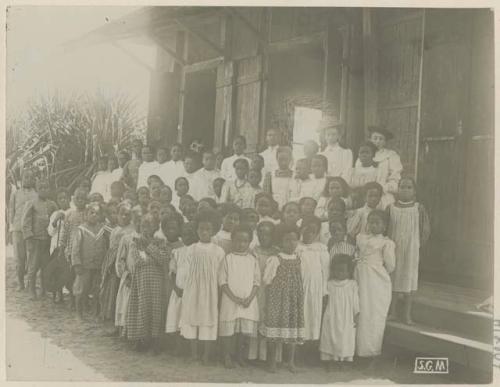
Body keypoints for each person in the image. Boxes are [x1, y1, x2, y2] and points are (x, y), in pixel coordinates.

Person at [179, 209, 225, 364]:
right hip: (193, 290)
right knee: (192, 318)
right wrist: (184, 288)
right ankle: (194, 354)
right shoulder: (191, 249)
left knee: (208, 319)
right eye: (201, 229)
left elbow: (221, 273)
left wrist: (219, 291)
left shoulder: (218, 251)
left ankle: (206, 354)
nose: (204, 232)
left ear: (213, 231)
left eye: (208, 229)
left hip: (210, 291)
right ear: (197, 230)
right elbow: (185, 270)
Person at [387, 177, 430, 325]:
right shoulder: (391, 208)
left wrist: (417, 244)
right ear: (397, 190)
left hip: (411, 249)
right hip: (394, 248)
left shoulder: (418, 209)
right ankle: (392, 312)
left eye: (409, 187)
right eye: (402, 187)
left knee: (409, 281)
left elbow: (425, 229)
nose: (405, 190)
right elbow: (386, 228)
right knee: (393, 278)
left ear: (414, 191)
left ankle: (407, 314)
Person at [261, 224, 304, 373]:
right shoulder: (275, 259)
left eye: (294, 239)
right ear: (280, 241)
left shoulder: (299, 258)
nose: (291, 243)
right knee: (273, 332)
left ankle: (289, 362)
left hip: (293, 300)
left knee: (291, 331)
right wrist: (269, 301)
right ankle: (271, 362)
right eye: (287, 240)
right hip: (277, 300)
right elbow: (267, 281)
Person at [355, 210, 395, 365]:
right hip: (359, 276)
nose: (372, 225)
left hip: (375, 280)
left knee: (372, 313)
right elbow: (357, 253)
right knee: (359, 311)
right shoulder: (360, 238)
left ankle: (371, 353)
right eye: (370, 222)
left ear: (384, 226)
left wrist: (374, 268)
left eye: (377, 222)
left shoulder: (386, 243)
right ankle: (357, 352)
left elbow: (390, 265)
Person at [125, 213, 169, 353]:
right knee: (141, 309)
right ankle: (141, 339)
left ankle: (155, 342)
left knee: (155, 310)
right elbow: (138, 261)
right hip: (141, 283)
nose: (146, 228)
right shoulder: (135, 242)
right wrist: (153, 256)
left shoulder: (160, 242)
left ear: (155, 227)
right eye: (143, 225)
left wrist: (149, 247)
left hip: (157, 284)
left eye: (149, 225)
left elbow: (163, 259)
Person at [219, 225, 261, 368]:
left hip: (248, 301)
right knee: (228, 331)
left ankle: (239, 356)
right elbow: (223, 282)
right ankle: (226, 356)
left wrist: (249, 298)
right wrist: (234, 298)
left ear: (249, 242)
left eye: (244, 241)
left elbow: (257, 282)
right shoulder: (227, 259)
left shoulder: (252, 260)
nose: (241, 244)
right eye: (237, 240)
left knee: (243, 332)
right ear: (232, 241)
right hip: (230, 301)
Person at [319, 254, 359, 371]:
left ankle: (342, 359)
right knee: (330, 335)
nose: (339, 273)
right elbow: (325, 300)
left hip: (346, 316)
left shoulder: (352, 284)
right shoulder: (330, 284)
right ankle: (330, 359)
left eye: (342, 270)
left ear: (349, 271)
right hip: (332, 314)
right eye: (337, 270)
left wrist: (356, 314)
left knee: (344, 337)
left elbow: (355, 301)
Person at [248, 221, 281, 362]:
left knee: (271, 319)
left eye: (267, 234)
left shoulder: (277, 252)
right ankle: (254, 355)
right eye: (261, 233)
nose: (264, 236)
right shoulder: (252, 251)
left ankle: (270, 357)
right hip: (256, 289)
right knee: (257, 317)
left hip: (272, 290)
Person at [99, 202, 135, 327]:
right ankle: (110, 319)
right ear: (117, 215)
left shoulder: (132, 230)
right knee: (111, 290)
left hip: (125, 263)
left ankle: (122, 322)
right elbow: (111, 249)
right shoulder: (114, 230)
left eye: (127, 214)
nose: (124, 217)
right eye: (121, 214)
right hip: (113, 263)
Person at [296, 217, 329, 354]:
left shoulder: (321, 249)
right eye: (306, 230)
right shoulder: (297, 247)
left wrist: (324, 291)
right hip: (299, 287)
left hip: (315, 289)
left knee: (312, 317)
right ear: (301, 230)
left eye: (313, 232)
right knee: (299, 316)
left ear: (317, 234)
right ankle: (295, 351)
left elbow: (325, 271)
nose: (309, 234)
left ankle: (309, 351)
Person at [165, 221, 198, 355]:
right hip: (179, 291)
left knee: (190, 321)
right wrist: (176, 288)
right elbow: (172, 273)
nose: (187, 237)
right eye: (184, 234)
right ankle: (178, 348)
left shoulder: (198, 251)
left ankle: (192, 350)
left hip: (192, 293)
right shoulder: (177, 252)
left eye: (190, 234)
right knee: (176, 317)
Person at [22, 179, 58, 300]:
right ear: (37, 190)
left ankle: (43, 288)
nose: (44, 190)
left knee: (45, 265)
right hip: (35, 239)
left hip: (47, 239)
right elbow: (25, 221)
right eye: (41, 188)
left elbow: (56, 216)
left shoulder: (52, 204)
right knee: (33, 265)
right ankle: (31, 290)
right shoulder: (31, 203)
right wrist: (29, 236)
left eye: (46, 188)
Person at [71, 203, 107, 319]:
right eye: (91, 213)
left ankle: (95, 313)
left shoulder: (103, 228)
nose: (94, 215)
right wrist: (77, 264)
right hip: (84, 265)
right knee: (81, 289)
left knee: (97, 289)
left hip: (98, 265)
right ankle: (79, 313)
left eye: (97, 213)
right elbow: (75, 248)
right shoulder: (81, 229)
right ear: (85, 215)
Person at [115, 207, 142, 336]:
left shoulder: (149, 238)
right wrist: (125, 276)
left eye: (142, 220)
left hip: (143, 279)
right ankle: (124, 330)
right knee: (126, 303)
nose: (139, 223)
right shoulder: (126, 238)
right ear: (133, 220)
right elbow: (120, 259)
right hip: (129, 278)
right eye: (137, 220)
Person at [60, 187, 89, 308]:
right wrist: (62, 247)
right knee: (70, 276)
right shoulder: (70, 214)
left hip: (84, 251)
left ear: (86, 200)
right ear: (73, 199)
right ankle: (72, 299)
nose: (80, 200)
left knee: (83, 277)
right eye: (78, 198)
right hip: (71, 251)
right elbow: (64, 232)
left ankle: (83, 300)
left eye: (83, 198)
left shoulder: (88, 213)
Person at [9, 169, 37, 290]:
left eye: (31, 178)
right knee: (19, 259)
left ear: (34, 180)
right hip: (17, 230)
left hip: (30, 231)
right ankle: (21, 283)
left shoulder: (36, 194)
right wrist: (11, 226)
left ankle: (31, 283)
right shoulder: (15, 193)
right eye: (26, 177)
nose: (28, 180)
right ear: (21, 179)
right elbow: (11, 211)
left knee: (31, 257)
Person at [364, 126, 403, 205]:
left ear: (385, 142)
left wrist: (384, 188)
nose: (377, 141)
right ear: (370, 139)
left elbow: (395, 178)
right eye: (375, 138)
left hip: (384, 193)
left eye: (381, 139)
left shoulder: (391, 155)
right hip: (366, 193)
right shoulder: (364, 154)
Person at [263, 146, 297, 210]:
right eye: (281, 159)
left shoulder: (295, 176)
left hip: (290, 210)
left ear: (290, 159)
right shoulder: (270, 175)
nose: (283, 162)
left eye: (286, 159)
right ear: (276, 158)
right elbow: (266, 195)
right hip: (273, 210)